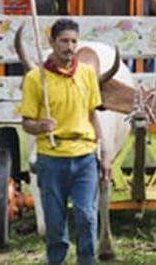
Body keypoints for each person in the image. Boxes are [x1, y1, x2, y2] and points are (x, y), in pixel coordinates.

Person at [21, 18, 112, 265]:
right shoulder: (34, 78)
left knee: (87, 215)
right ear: (51, 42)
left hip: (84, 155)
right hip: (52, 157)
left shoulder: (86, 74)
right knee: (55, 222)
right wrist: (40, 126)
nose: (69, 46)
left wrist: (104, 156)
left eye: (73, 41)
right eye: (63, 41)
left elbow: (93, 116)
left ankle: (87, 261)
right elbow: (26, 122)